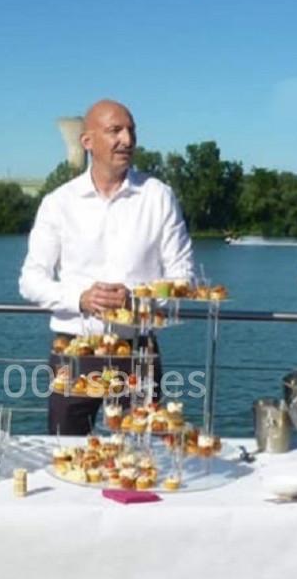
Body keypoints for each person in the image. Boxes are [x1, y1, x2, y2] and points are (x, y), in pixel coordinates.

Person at [19, 99, 195, 434]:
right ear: (87, 142)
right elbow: (30, 280)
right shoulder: (58, 203)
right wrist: (81, 298)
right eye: (115, 131)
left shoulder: (158, 197)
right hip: (74, 349)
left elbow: (182, 278)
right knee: (66, 454)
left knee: (140, 457)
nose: (127, 140)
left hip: (138, 349)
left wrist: (137, 300)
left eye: (131, 131)